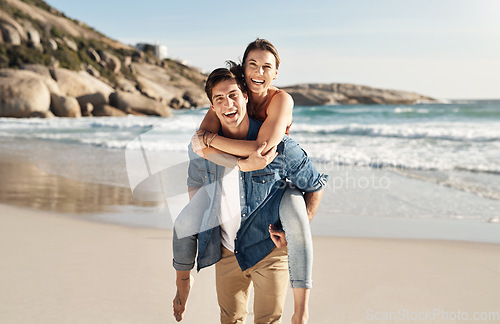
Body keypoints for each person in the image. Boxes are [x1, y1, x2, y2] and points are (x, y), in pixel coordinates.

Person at [172, 68, 327, 323]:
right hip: (226, 250)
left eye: (233, 95)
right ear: (212, 106)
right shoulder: (202, 147)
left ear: (246, 96)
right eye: (219, 99)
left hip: (269, 250)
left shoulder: (279, 148)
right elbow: (195, 181)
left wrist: (300, 224)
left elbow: (316, 185)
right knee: (229, 319)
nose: (228, 104)